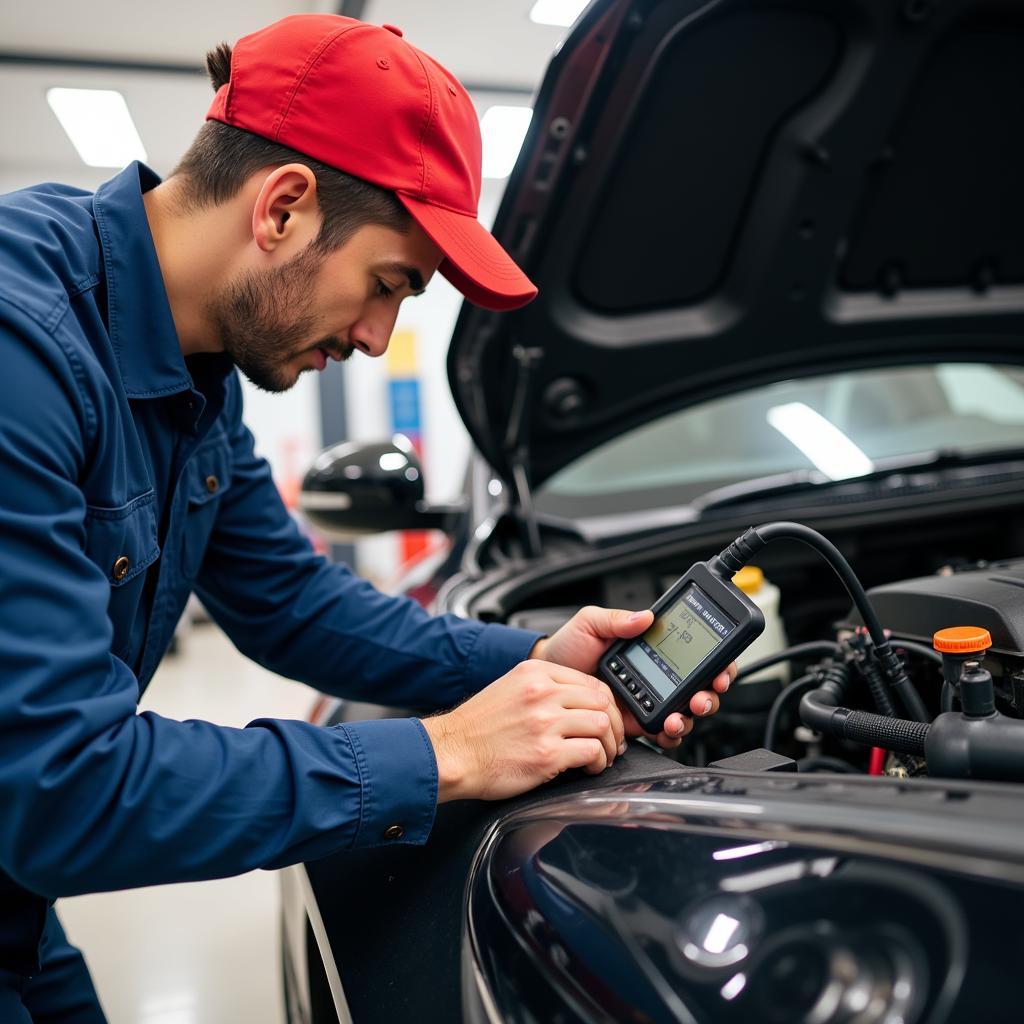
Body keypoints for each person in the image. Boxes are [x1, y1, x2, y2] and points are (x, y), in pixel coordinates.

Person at [0, 15, 733, 1021]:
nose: (378, 335)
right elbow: (58, 789)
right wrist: (446, 755)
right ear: (284, 209)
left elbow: (293, 604)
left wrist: (528, 662)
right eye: (387, 285)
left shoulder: (200, 374)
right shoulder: (22, 355)